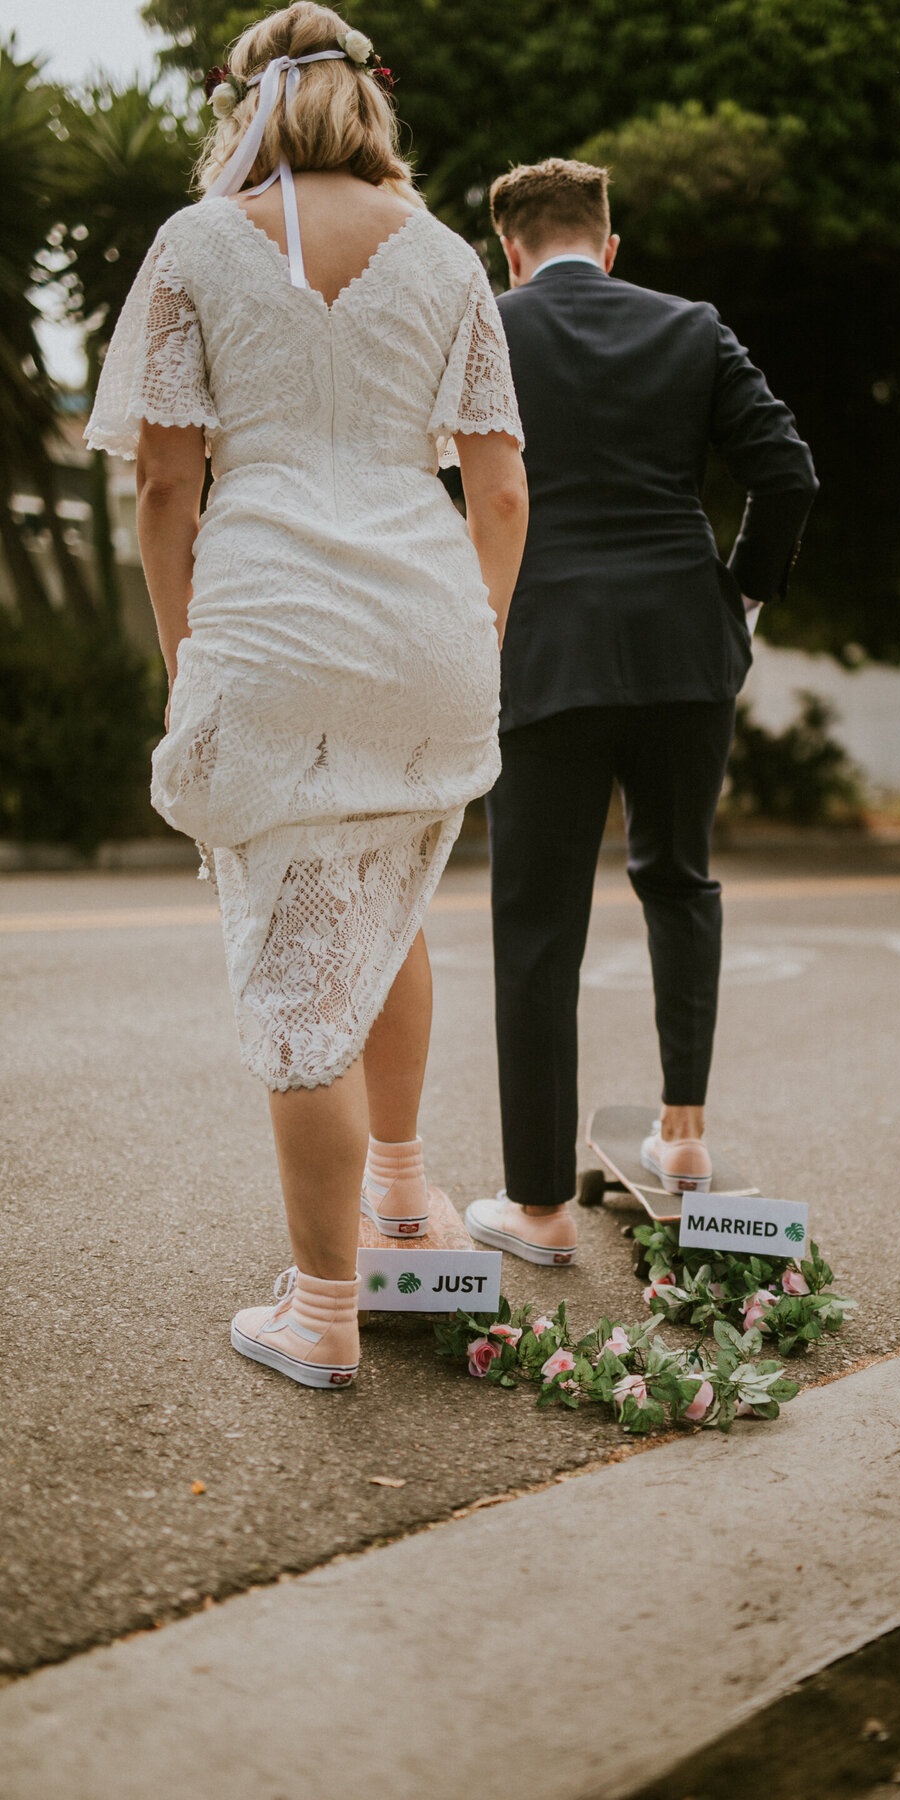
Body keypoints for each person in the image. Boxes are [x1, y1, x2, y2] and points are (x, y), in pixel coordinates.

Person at [87, 2, 526, 1389]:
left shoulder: (197, 244)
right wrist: (477, 637)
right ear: (367, 102)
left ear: (245, 103)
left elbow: (165, 483)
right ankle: (402, 1194)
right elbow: (503, 486)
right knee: (385, 909)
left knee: (293, 973)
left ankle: (324, 1312)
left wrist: (184, 657)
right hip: (431, 621)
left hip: (274, 621)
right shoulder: (449, 253)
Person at [465, 159, 816, 1268]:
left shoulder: (488, 327)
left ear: (509, 252)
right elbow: (789, 474)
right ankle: (684, 1138)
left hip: (547, 656)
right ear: (607, 244)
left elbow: (456, 487)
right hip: (684, 652)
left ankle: (539, 1212)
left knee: (537, 929)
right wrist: (739, 597)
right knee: (679, 877)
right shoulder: (693, 327)